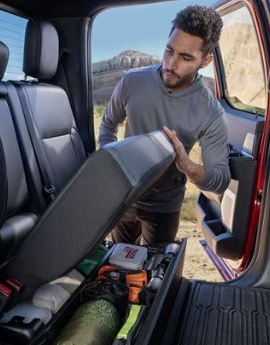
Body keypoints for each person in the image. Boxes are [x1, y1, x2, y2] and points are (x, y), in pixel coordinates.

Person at [99, 5, 230, 248]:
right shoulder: (132, 81)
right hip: (123, 197)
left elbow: (220, 179)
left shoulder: (211, 111)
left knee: (153, 273)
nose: (170, 63)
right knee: (118, 264)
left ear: (206, 60)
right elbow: (108, 125)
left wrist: (188, 167)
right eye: (169, 51)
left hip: (164, 205)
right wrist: (113, 164)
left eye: (186, 57)